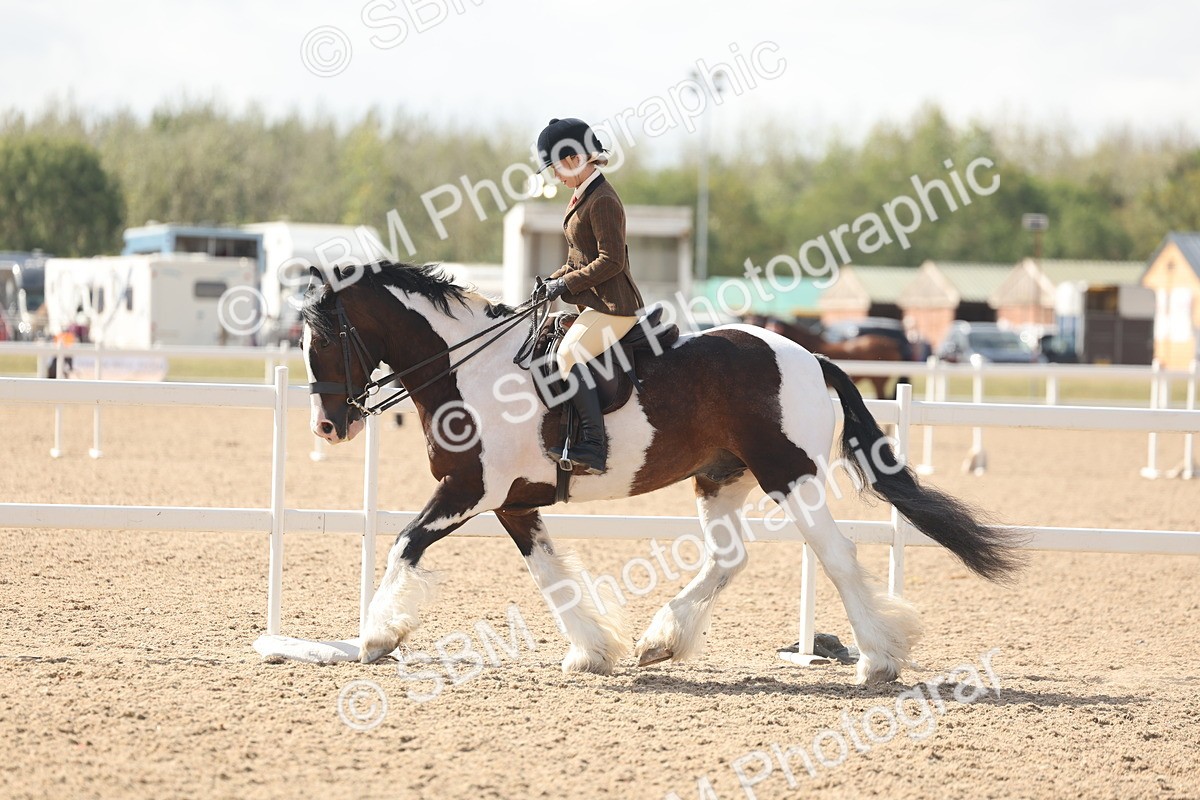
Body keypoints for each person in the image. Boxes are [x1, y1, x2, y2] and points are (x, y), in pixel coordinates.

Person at [535, 117, 645, 475]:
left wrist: (566, 286)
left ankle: (595, 447)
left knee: (569, 355)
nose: (556, 177)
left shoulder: (603, 200)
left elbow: (610, 261)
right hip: (596, 304)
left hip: (614, 307)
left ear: (572, 159)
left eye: (555, 169)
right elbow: (577, 259)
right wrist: (551, 281)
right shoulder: (585, 195)